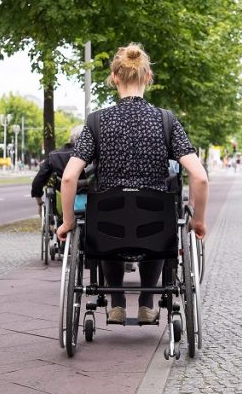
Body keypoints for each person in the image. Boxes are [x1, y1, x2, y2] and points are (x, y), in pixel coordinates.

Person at [57, 43, 208, 326]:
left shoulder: (97, 122)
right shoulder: (166, 121)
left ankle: (115, 303)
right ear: (148, 76)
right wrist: (198, 221)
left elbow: (68, 177)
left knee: (109, 221)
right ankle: (147, 303)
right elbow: (199, 177)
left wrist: (67, 222)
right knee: (156, 220)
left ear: (115, 77)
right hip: (155, 228)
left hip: (107, 228)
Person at [30, 125, 84, 218]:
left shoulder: (55, 156)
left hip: (62, 204)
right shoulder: (96, 155)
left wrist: (39, 203)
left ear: (71, 138)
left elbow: (38, 181)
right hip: (91, 204)